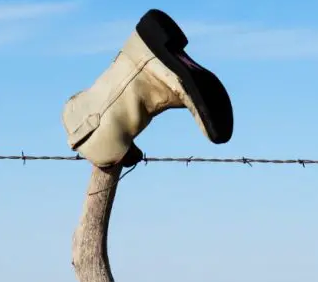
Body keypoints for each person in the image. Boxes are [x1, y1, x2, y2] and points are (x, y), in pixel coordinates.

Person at [61, 9, 234, 168]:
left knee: (102, 147)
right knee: (102, 142)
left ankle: (153, 68)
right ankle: (146, 58)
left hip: (100, 138)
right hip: (132, 56)